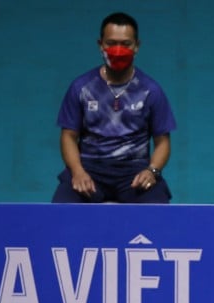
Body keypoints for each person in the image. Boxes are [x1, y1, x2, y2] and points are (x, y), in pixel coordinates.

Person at [52, 12, 176, 203]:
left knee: (158, 215)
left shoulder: (151, 91)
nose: (118, 50)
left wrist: (152, 171)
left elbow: (163, 142)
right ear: (100, 45)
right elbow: (68, 136)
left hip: (134, 174)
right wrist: (77, 172)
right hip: (89, 170)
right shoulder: (81, 87)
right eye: (111, 43)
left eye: (126, 44)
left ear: (137, 46)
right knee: (60, 212)